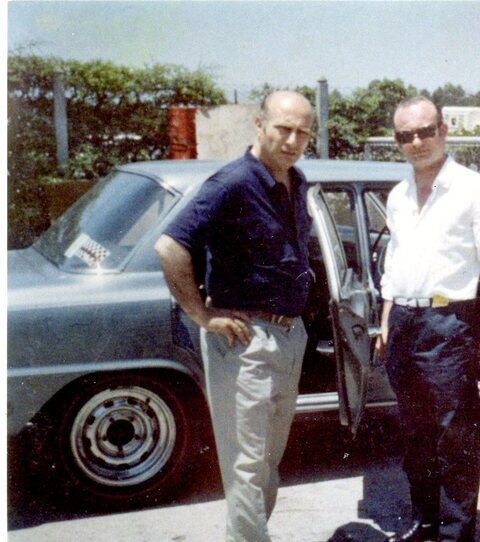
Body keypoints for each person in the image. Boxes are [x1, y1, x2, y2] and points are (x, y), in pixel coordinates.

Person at [154, 90, 314, 542]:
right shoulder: (233, 183)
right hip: (245, 339)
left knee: (266, 461)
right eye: (283, 128)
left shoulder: (296, 180)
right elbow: (169, 246)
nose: (292, 140)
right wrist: (202, 315)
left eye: (302, 132)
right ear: (259, 126)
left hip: (288, 335)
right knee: (247, 463)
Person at [376, 96, 480, 542]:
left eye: (425, 131)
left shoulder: (475, 189)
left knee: (455, 436)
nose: (416, 142)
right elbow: (394, 262)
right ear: (397, 140)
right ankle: (426, 522)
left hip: (448, 323)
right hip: (403, 323)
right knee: (415, 434)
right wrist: (387, 318)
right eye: (406, 135)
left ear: (444, 130)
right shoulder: (398, 195)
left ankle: (456, 534)